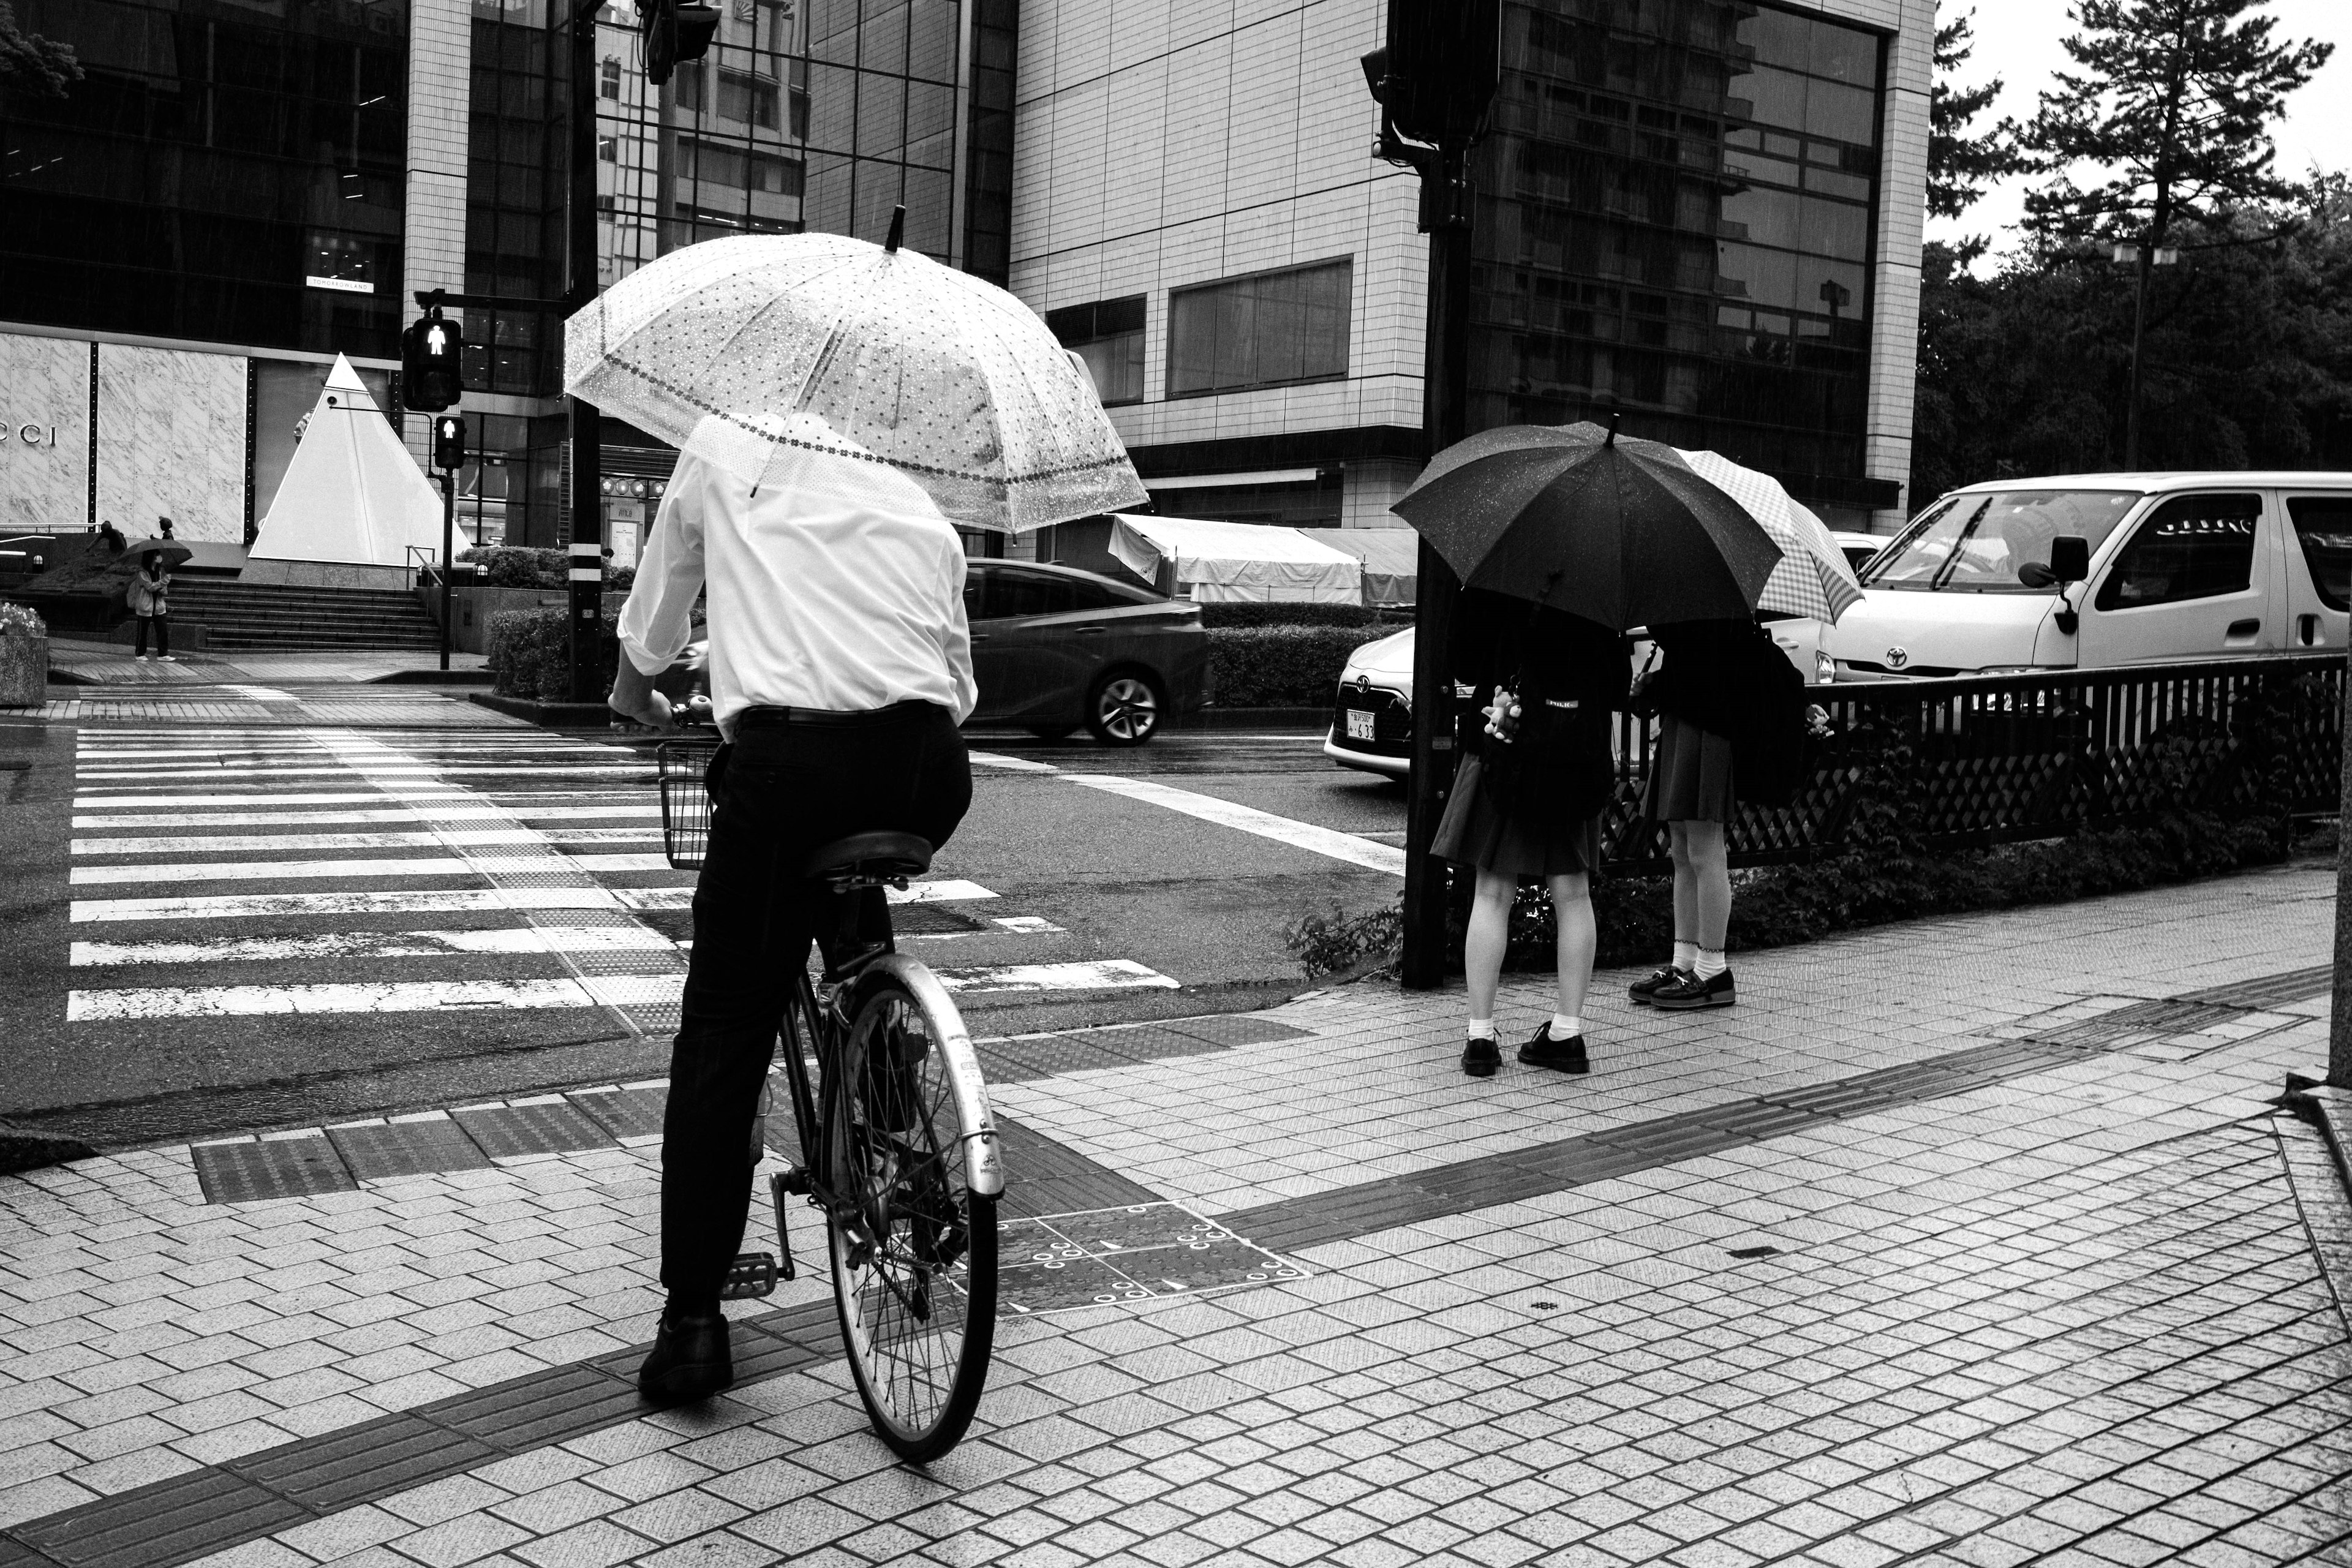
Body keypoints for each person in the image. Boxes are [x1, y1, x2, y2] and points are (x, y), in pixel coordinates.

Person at [606, 417, 978, 1404]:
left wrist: (636, 690)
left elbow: (655, 615)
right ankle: (905, 1156)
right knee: (851, 925)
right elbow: (959, 683)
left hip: (788, 767)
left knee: (726, 1027)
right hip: (926, 767)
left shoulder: (727, 442)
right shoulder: (903, 478)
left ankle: (692, 1322)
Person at [1433, 589, 1629, 1078]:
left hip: (1504, 750)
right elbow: (1618, 685)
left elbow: (1462, 663)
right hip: (1574, 755)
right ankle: (1567, 1032)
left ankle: (1480, 1038)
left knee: (1493, 891)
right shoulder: (1597, 583)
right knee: (1573, 893)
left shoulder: (1495, 573)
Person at [1627, 619, 1788, 1010]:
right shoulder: (1693, 593)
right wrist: (1657, 687)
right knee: (1682, 850)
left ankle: (1713, 969)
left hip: (1709, 723)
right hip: (1686, 718)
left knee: (1703, 849)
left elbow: (1710, 663)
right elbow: (1688, 660)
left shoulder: (1718, 605)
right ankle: (1685, 962)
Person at [127, 549, 172, 662]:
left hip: (159, 606)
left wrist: (163, 587)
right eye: (157, 555)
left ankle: (163, 654)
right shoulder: (142, 573)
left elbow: (165, 591)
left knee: (162, 630)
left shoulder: (161, 571)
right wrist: (162, 583)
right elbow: (149, 587)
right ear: (152, 557)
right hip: (145, 605)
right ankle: (140, 653)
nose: (159, 557)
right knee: (143, 631)